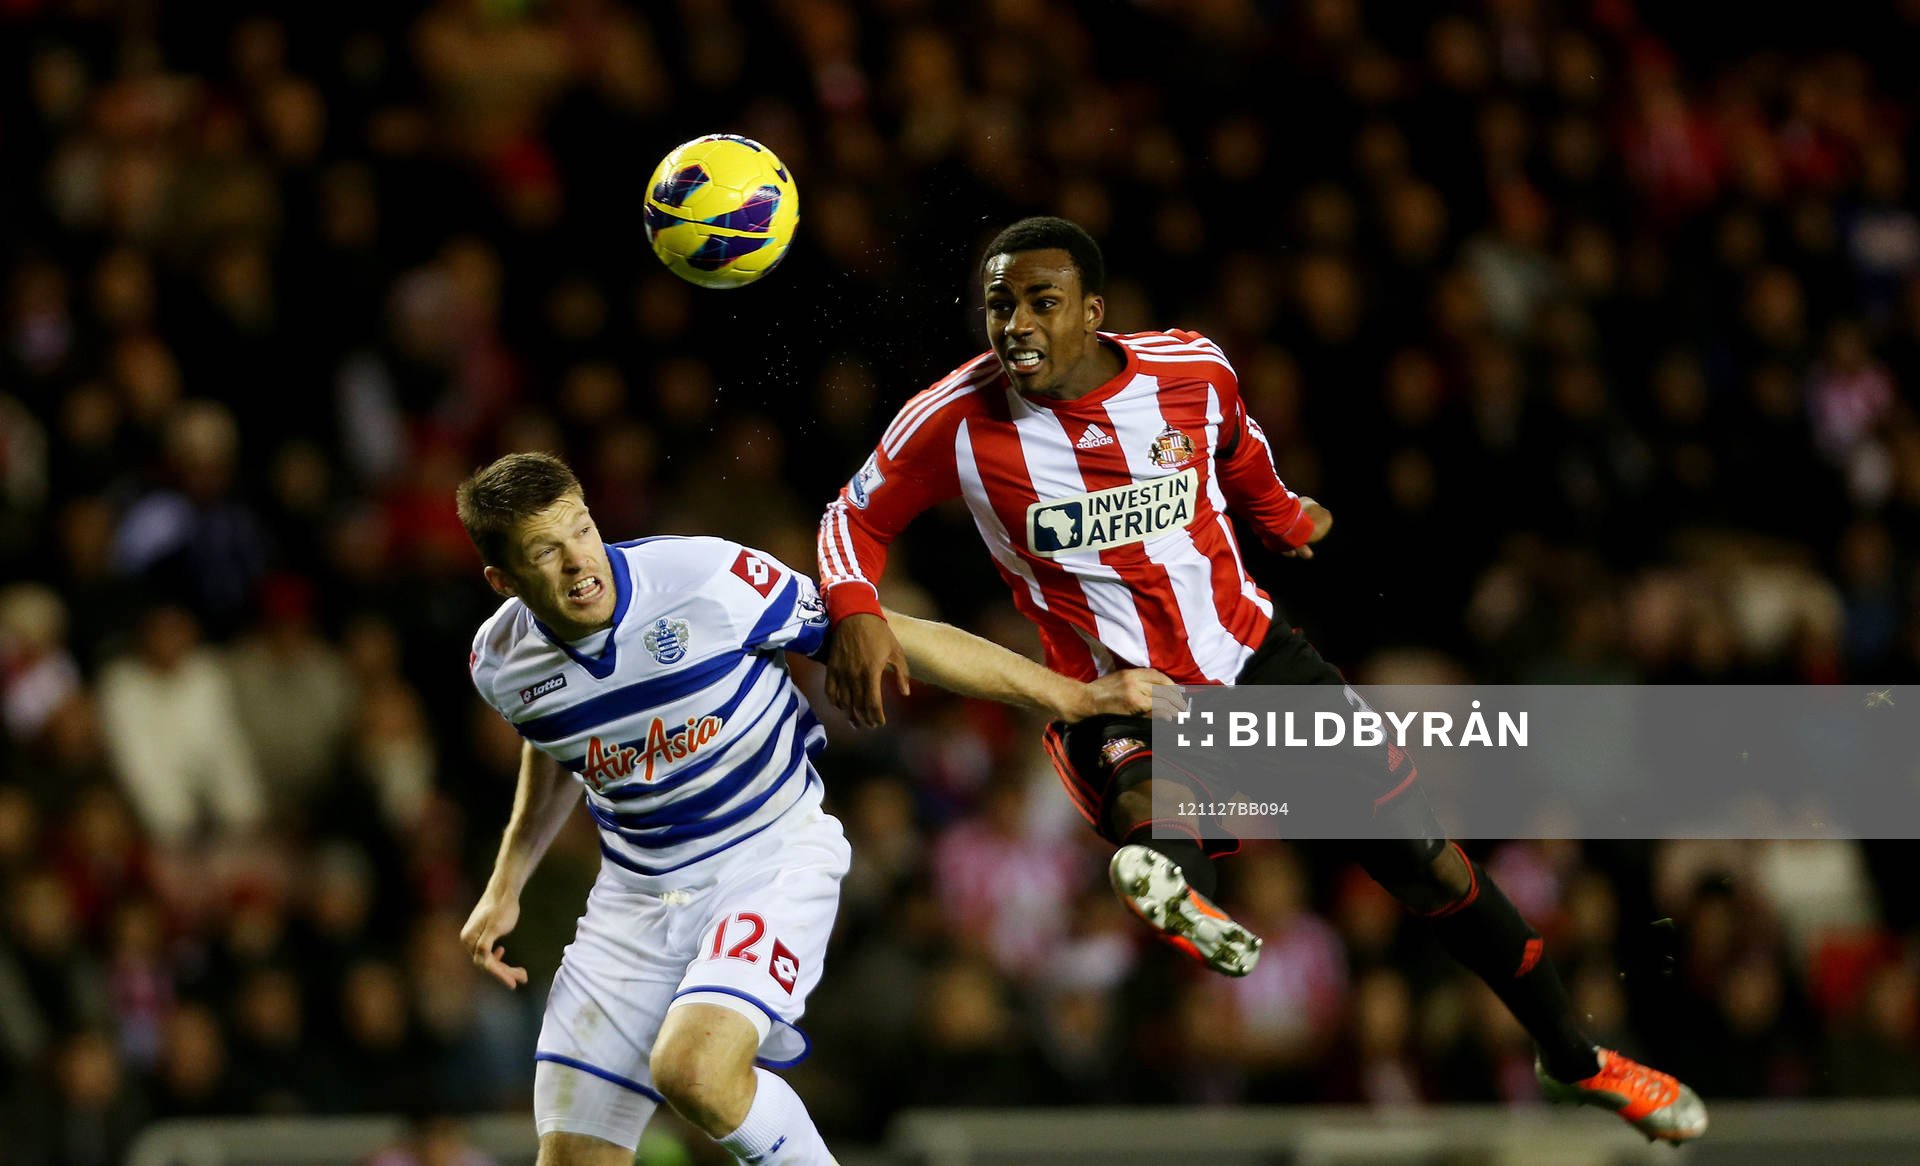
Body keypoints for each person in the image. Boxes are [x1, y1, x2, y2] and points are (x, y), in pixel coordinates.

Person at [815, 216, 1708, 1142]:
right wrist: (854, 610)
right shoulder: (952, 420)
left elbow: (1237, 448)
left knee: (1426, 862)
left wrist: (1281, 516)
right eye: (999, 304)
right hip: (1119, 689)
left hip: (1257, 660)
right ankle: (1168, 881)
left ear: (1093, 311)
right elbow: (850, 520)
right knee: (1151, 803)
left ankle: (1574, 1060)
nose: (1016, 325)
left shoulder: (1190, 371)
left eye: (1041, 302)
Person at [454, 452, 1166, 1166]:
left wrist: (1071, 697)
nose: (580, 561)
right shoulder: (500, 663)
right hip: (634, 900)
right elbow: (556, 738)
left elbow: (888, 634)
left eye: (582, 529)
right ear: (503, 580)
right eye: (547, 551)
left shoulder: (707, 581)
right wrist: (507, 881)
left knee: (694, 1070)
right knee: (573, 1159)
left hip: (765, 860)